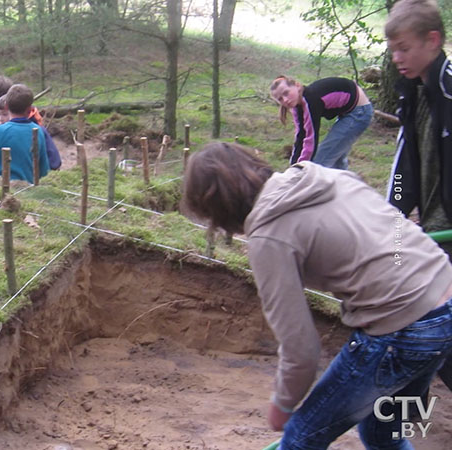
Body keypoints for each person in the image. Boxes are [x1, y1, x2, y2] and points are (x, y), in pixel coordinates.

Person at [184, 142, 452, 448]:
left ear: (216, 209)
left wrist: (283, 406)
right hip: (444, 297)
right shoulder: (326, 176)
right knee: (382, 432)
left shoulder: (268, 236)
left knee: (301, 438)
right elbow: (389, 223)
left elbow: (301, 350)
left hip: (403, 329)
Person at [385, 0, 452, 392]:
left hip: (448, 229)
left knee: (434, 321)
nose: (396, 58)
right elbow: (402, 168)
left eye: (404, 48)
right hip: (431, 227)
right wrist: (392, 215)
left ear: (433, 40)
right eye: (393, 50)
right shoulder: (412, 93)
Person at [270, 75, 373, 170]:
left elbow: (311, 140)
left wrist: (300, 169)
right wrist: (293, 166)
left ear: (297, 86)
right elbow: (300, 136)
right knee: (335, 160)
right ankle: (343, 188)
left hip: (359, 113)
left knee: (317, 164)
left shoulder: (310, 101)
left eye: (286, 93)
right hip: (347, 112)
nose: (285, 100)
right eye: (280, 99)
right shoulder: (297, 105)